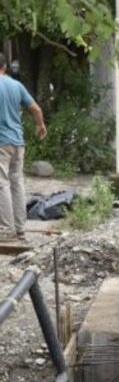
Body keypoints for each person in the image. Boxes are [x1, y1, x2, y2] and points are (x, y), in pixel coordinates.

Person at [0, 53, 47, 241]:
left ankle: (5, 229)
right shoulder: (16, 85)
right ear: (5, 66)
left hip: (1, 144)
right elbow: (36, 109)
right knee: (17, 183)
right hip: (18, 143)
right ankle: (20, 228)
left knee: (1, 184)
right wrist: (40, 125)